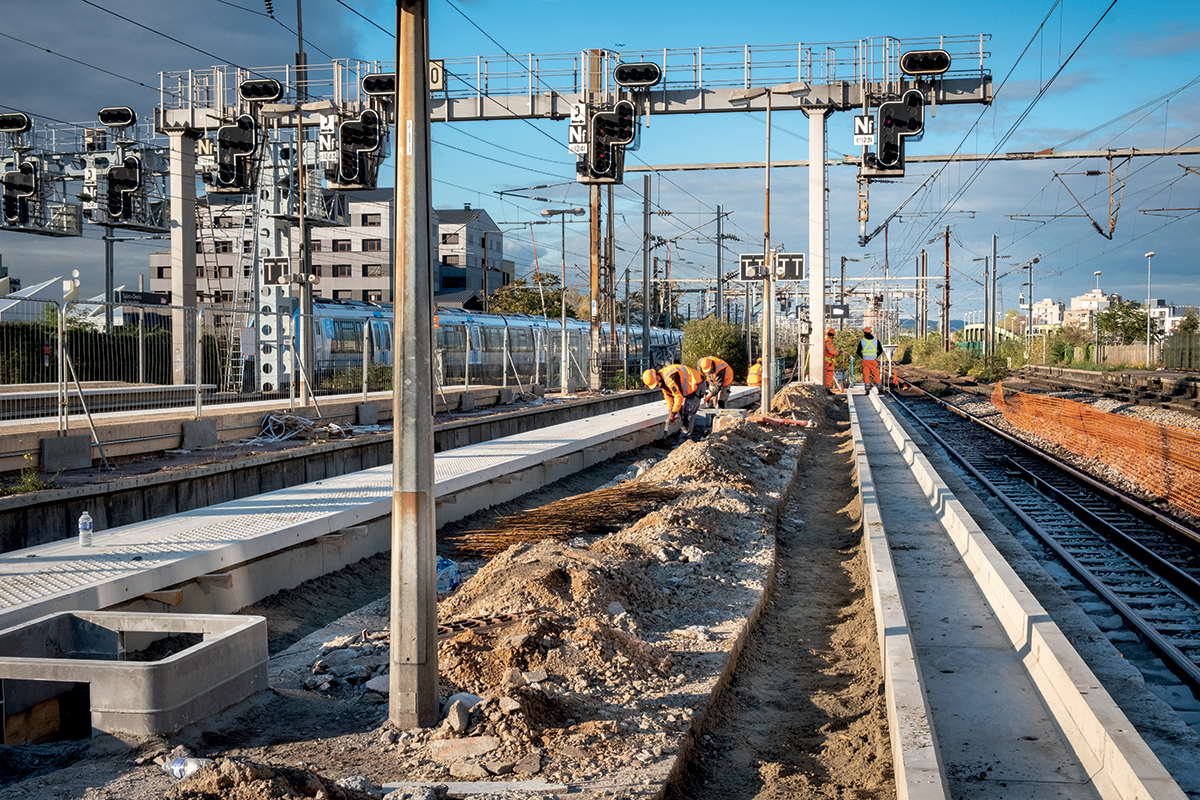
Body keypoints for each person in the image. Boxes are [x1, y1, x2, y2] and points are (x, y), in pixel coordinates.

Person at [642, 361, 704, 444]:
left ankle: (685, 439)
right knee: (680, 411)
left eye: (655, 384)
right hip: (689, 388)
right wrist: (670, 411)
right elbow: (668, 396)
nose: (656, 386)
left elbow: (679, 397)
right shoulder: (662, 379)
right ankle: (684, 435)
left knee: (688, 413)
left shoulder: (670, 378)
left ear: (657, 377)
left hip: (697, 385)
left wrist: (673, 413)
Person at [857, 325, 882, 393]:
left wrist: (863, 357)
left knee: (866, 375)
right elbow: (880, 350)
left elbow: (858, 352)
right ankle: (880, 389)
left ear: (864, 333)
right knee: (876, 374)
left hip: (865, 361)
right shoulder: (876, 341)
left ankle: (867, 390)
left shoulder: (862, 341)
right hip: (873, 361)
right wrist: (875, 356)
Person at [823, 328, 839, 392]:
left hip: (829, 363)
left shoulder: (826, 340)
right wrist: (837, 352)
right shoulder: (828, 342)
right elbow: (831, 351)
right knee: (828, 376)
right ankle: (827, 389)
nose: (833, 337)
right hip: (828, 364)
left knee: (829, 376)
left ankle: (827, 388)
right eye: (832, 335)